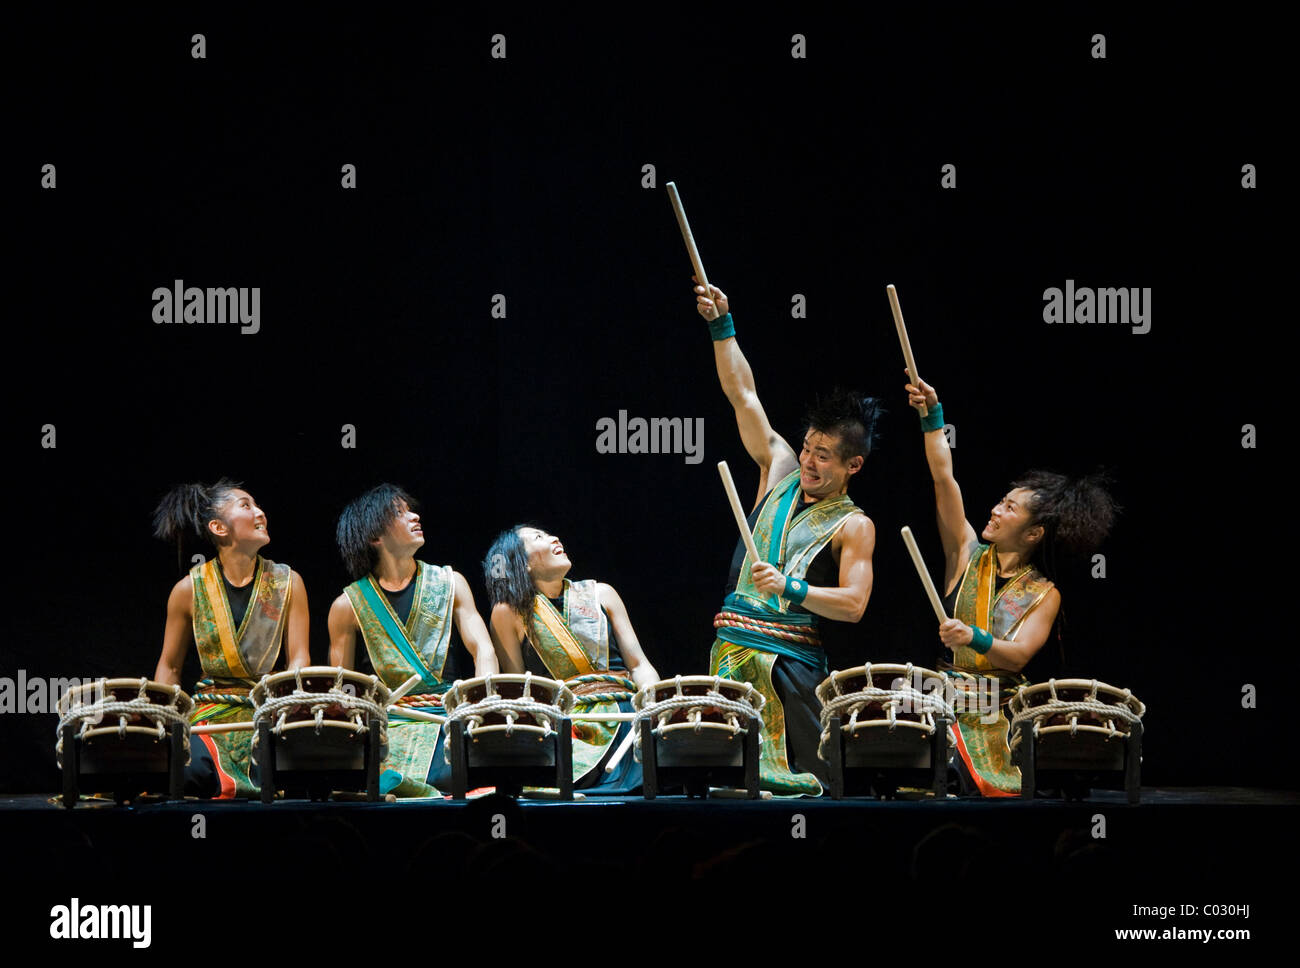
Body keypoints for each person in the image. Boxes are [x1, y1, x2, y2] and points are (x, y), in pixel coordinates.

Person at [694, 280, 879, 796]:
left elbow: (854, 604)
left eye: (824, 455)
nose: (809, 460)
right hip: (731, 649)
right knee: (722, 779)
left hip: (791, 663)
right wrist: (721, 325)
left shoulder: (854, 524)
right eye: (807, 447)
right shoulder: (778, 469)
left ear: (852, 465)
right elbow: (743, 394)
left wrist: (791, 588)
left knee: (805, 782)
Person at [905, 374, 1117, 796]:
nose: (995, 509)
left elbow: (1018, 657)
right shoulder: (964, 552)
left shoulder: (1044, 593)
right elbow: (944, 479)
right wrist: (933, 417)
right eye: (1002, 501)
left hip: (996, 705)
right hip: (943, 693)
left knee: (983, 779)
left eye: (1009, 507)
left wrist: (973, 636)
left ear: (1034, 533)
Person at [328, 483, 497, 797]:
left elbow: (483, 649)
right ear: (375, 537)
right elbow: (343, 689)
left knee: (476, 763)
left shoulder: (450, 583)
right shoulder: (347, 606)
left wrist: (481, 705)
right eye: (399, 512)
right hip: (387, 725)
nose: (414, 517)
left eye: (411, 509)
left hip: (448, 719)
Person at [153, 480, 310, 798]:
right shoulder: (188, 590)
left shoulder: (289, 582)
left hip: (265, 711)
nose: (260, 512)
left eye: (257, 505)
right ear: (218, 527)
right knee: (189, 774)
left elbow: (299, 659)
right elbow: (169, 668)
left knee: (299, 772)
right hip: (210, 714)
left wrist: (287, 708)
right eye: (246, 505)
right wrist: (166, 723)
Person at [483, 525, 660, 794]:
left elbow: (638, 665)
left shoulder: (602, 593)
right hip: (568, 722)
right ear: (523, 563)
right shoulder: (509, 612)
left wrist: (653, 706)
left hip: (626, 715)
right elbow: (520, 690)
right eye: (538, 538)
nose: (554, 537)